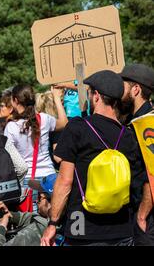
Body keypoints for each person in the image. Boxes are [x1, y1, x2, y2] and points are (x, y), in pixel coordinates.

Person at [41, 70, 145, 246]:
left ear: (96, 96)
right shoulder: (128, 135)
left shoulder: (78, 128)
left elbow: (65, 180)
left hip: (80, 224)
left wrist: (53, 223)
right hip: (120, 227)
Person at [4, 85, 67, 212]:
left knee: (32, 222)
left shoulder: (11, 127)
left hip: (27, 180)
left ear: (15, 101)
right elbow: (64, 123)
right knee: (53, 216)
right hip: (49, 177)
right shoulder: (44, 118)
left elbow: (7, 158)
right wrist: (56, 98)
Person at [120, 64, 154, 245]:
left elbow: (152, 173)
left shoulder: (146, 124)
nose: (119, 90)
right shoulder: (133, 120)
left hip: (147, 216)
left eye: (123, 85)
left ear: (135, 89)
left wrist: (142, 214)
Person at [0, 173, 59, 246]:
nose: (36, 201)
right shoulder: (65, 221)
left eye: (39, 197)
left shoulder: (35, 231)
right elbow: (37, 218)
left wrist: (0, 230)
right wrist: (12, 215)